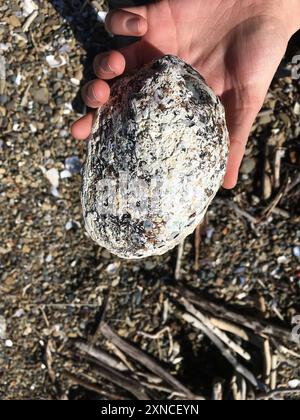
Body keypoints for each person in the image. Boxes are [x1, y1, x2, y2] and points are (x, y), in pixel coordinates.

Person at [71, 0, 300, 189]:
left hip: (168, 27)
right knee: (129, 23)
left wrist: (276, 7)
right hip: (161, 23)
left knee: (129, 30)